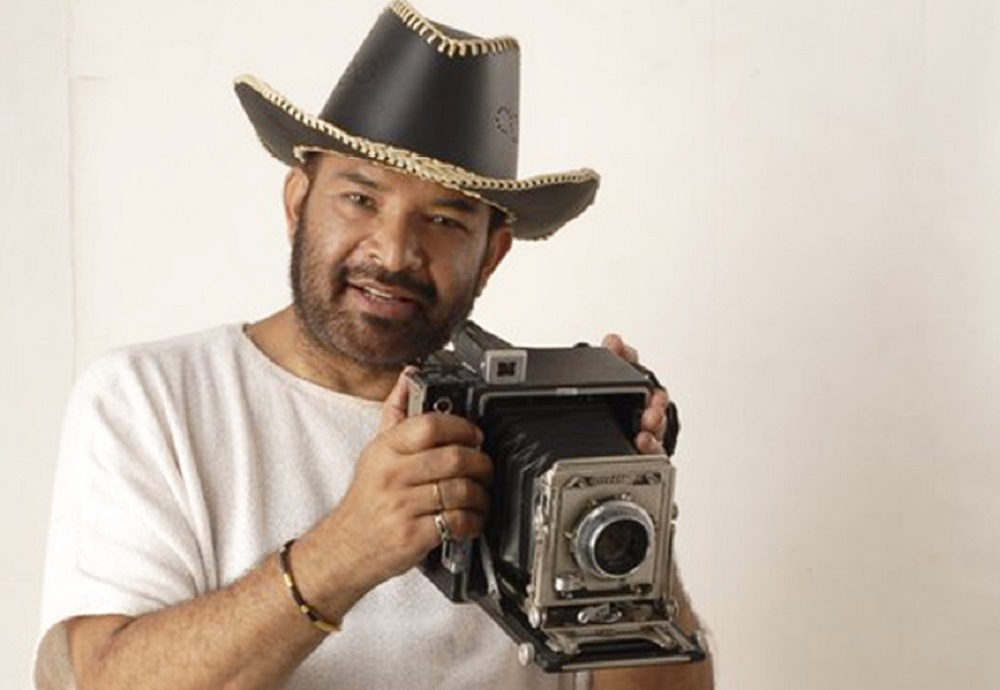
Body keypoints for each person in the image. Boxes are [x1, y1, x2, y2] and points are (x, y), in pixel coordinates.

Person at [34, 3, 714, 689]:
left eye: (445, 219)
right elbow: (94, 680)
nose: (393, 253)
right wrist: (348, 549)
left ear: (490, 255)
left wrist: (624, 517)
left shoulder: (537, 416)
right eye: (361, 200)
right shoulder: (152, 398)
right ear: (297, 203)